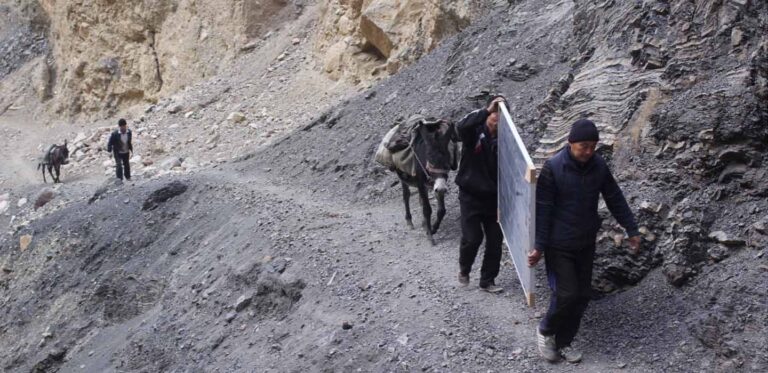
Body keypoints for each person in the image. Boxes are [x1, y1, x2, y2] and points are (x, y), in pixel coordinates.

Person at [527, 119, 641, 363]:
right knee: (566, 293)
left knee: (582, 295)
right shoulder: (553, 168)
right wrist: (538, 246)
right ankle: (545, 330)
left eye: (593, 146)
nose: (588, 152)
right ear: (570, 144)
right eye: (584, 146)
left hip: (585, 242)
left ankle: (565, 342)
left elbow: (614, 197)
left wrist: (631, 228)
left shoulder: (598, 166)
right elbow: (543, 210)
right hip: (558, 244)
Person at [455, 95, 507, 293]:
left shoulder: (507, 142)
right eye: (494, 113)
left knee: (495, 241)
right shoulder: (474, 134)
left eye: (501, 115)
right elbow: (461, 127)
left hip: (494, 199)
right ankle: (464, 268)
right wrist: (486, 110)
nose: (496, 118)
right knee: (472, 238)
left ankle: (487, 280)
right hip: (471, 196)